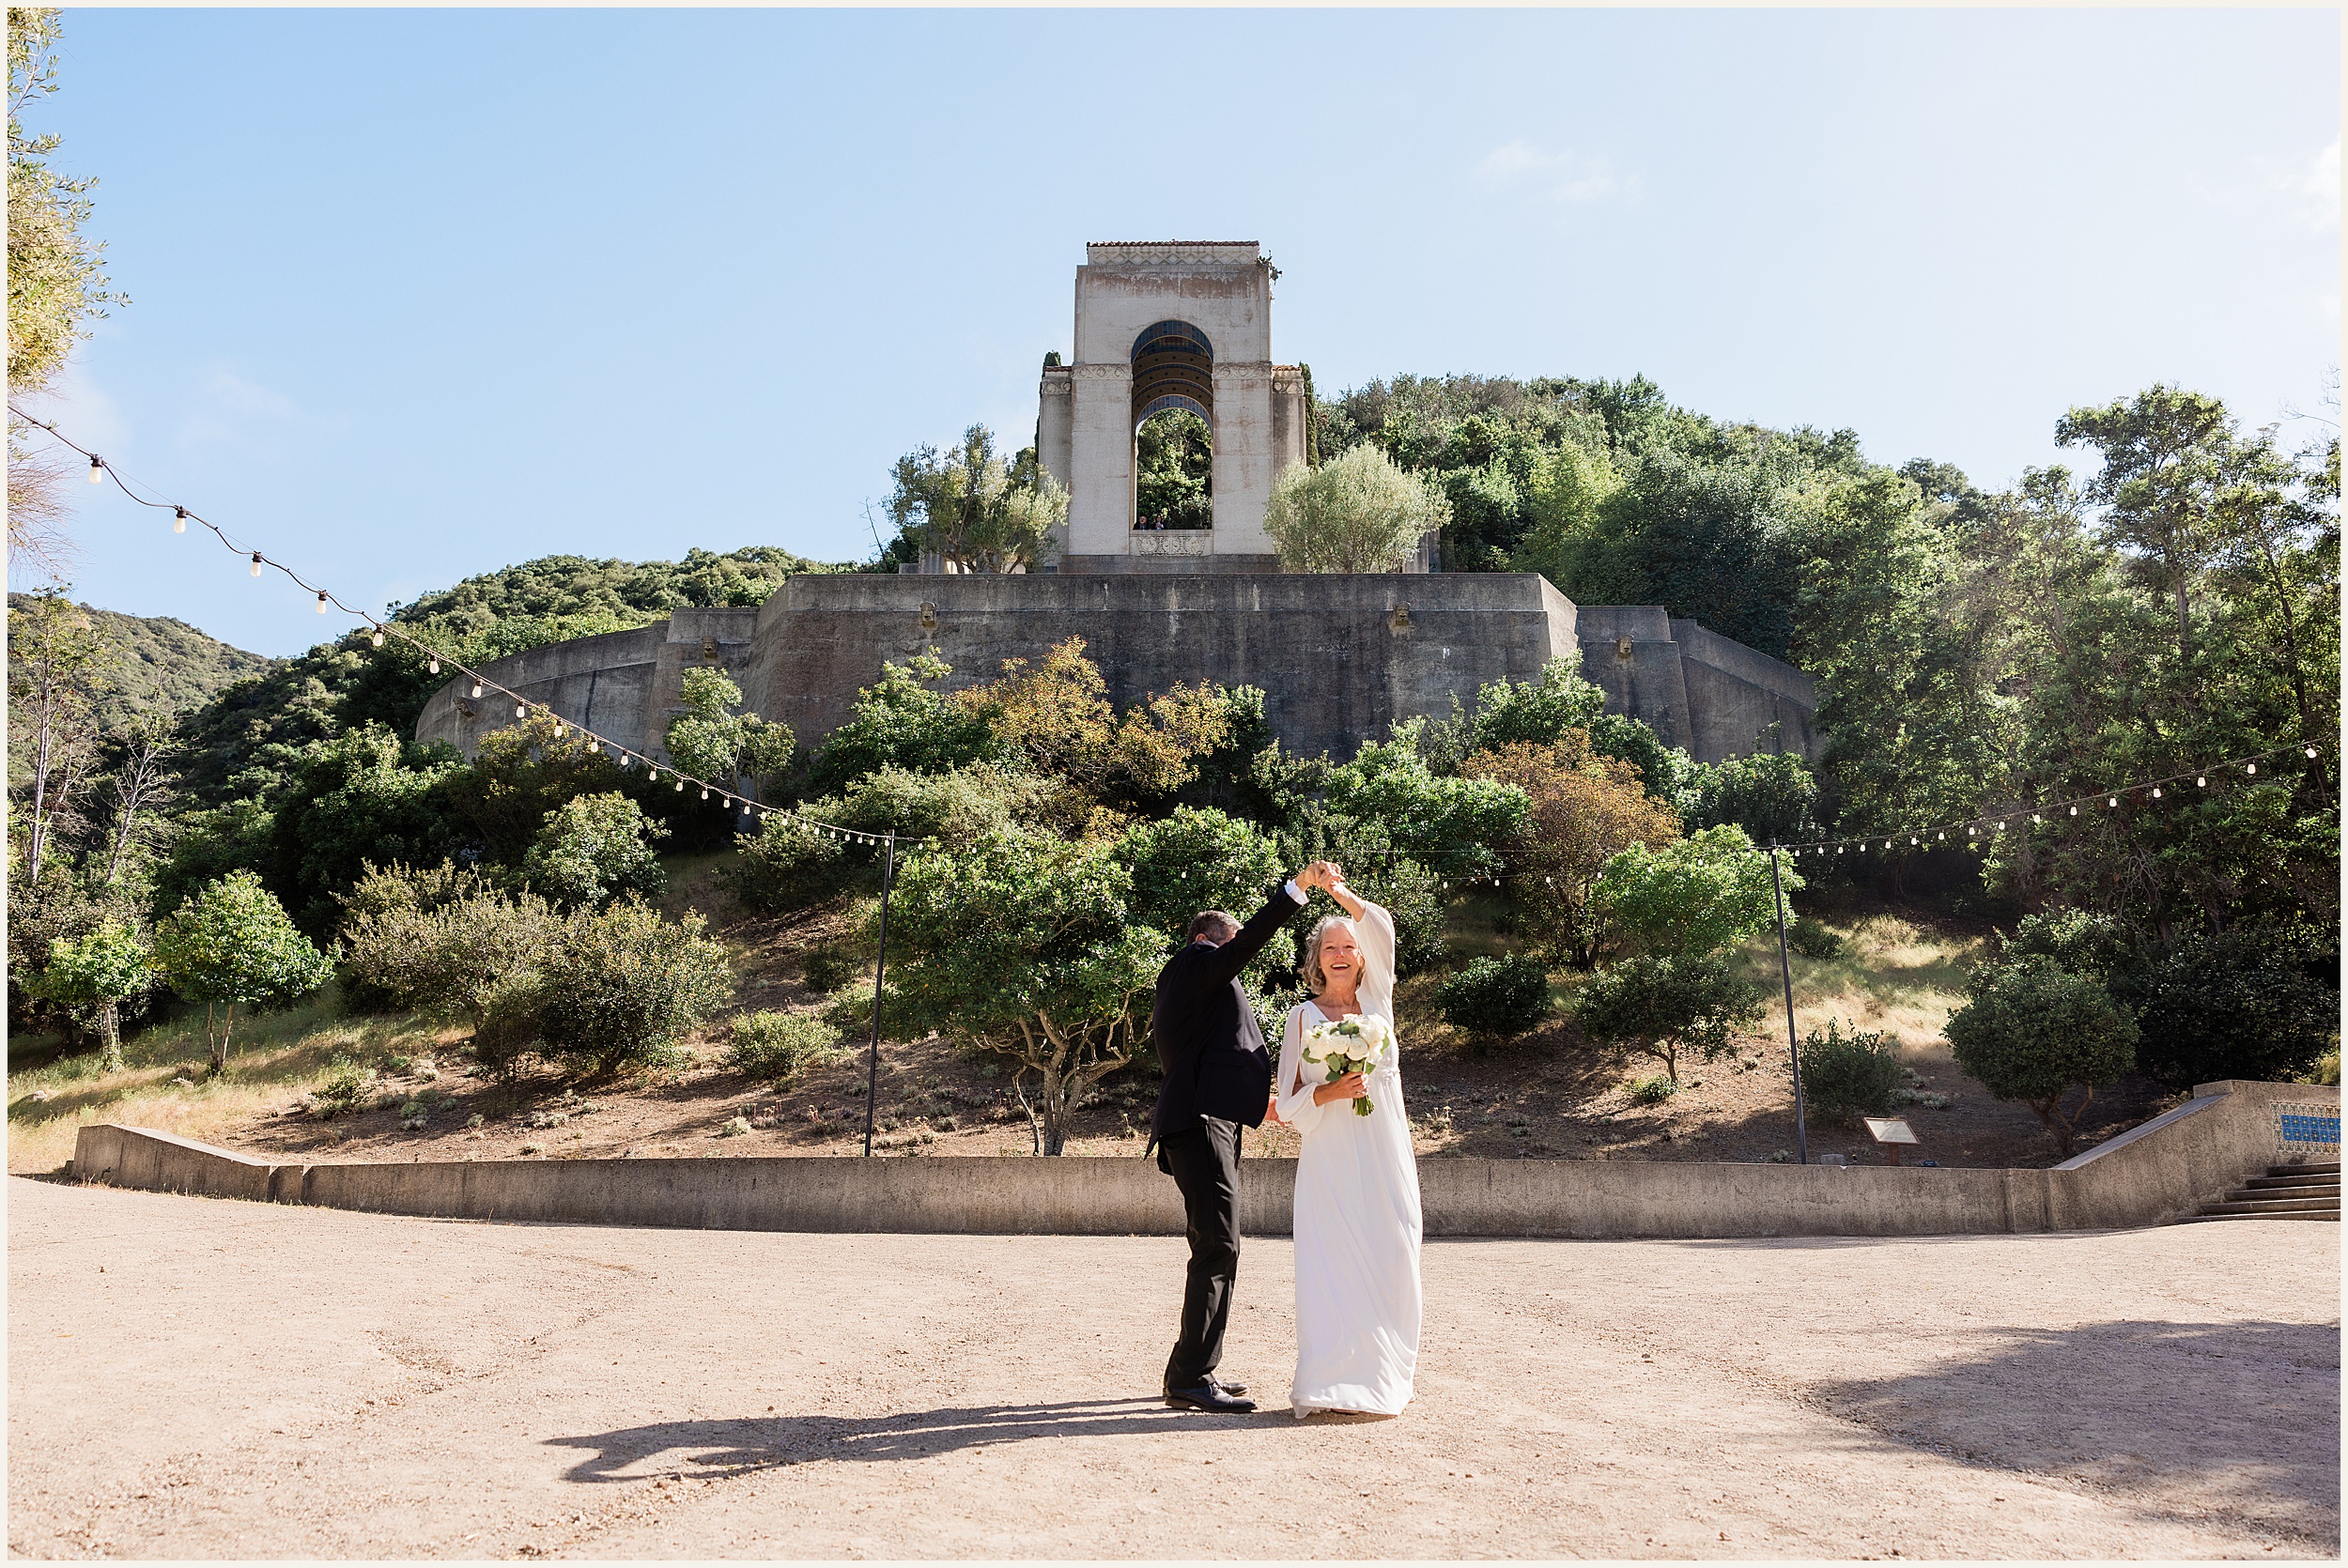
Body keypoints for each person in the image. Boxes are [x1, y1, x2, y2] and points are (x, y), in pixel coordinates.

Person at [1148, 859, 1339, 1415]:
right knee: (1218, 1245)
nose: (1236, 962)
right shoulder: (1197, 959)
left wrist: (1279, 1105)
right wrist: (1296, 892)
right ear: (1210, 939)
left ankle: (1189, 1370)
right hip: (1201, 1124)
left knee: (1216, 1244)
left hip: (1212, 1122)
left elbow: (1221, 1060)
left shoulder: (1199, 996)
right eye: (1230, 947)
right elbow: (1245, 944)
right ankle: (1190, 1377)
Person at [1273, 871, 1423, 1418]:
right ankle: (1327, 1380)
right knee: (1331, 1265)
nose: (1340, 954)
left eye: (1349, 947)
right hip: (1331, 1160)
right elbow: (1286, 1105)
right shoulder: (1302, 1018)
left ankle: (1389, 1375)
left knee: (1396, 1254)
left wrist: (1338, 895)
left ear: (1363, 960)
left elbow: (1380, 925)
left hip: (1384, 1151)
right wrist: (1330, 1090)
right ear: (1316, 960)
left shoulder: (1378, 1000)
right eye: (1329, 947)